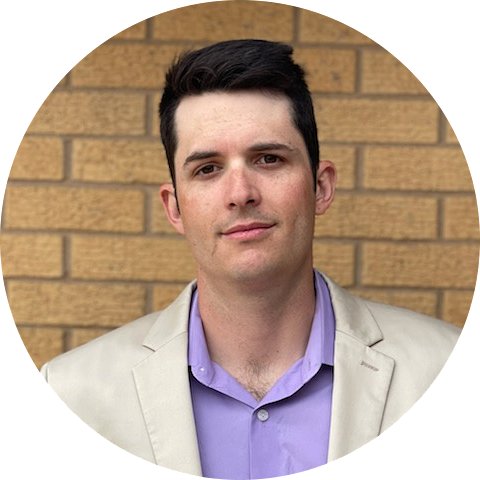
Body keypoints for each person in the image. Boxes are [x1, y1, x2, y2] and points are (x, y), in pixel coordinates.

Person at [40, 40, 461, 478]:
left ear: (320, 187)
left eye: (268, 159)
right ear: (174, 208)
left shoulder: (436, 366)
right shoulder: (75, 394)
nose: (241, 193)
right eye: (207, 168)